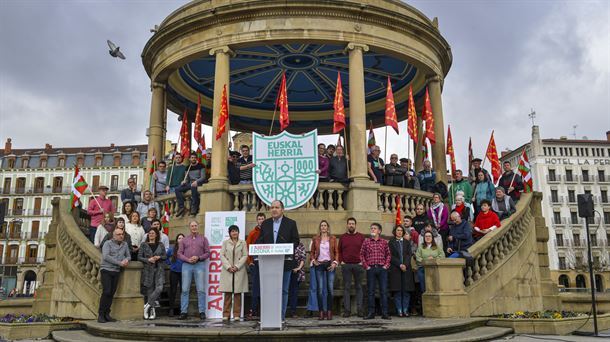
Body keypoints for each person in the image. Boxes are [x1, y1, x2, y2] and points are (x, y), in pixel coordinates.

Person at [255, 199, 300, 321]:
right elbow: (260, 240)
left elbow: (296, 241)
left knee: (283, 290)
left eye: (277, 207)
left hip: (285, 262)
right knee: (269, 290)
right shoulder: (265, 224)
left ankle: (280, 316)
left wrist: (285, 249)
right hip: (268, 263)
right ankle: (269, 316)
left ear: (282, 209)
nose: (274, 209)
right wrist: (257, 246)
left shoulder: (291, 223)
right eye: (272, 207)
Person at [178, 220, 211, 320]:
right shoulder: (184, 240)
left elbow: (208, 253)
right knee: (184, 289)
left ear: (198, 226)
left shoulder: (203, 239)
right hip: (186, 265)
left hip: (199, 264)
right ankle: (183, 312)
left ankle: (202, 312)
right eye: (192, 226)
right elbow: (179, 253)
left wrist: (198, 257)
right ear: (189, 227)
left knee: (201, 289)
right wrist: (187, 259)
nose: (194, 227)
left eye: (195, 225)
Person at [98, 227, 130, 323]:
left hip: (116, 271)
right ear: (114, 236)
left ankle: (107, 314)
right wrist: (119, 263)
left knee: (112, 293)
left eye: (122, 234)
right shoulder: (107, 243)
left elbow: (128, 255)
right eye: (119, 234)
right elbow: (106, 256)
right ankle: (101, 314)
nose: (121, 236)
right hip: (106, 270)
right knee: (106, 291)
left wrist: (126, 260)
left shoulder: (125, 244)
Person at [361, 222, 391, 320]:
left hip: (382, 269)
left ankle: (385, 313)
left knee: (383, 291)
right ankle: (371, 313)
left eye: (374, 228)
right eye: (371, 228)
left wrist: (386, 265)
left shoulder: (384, 242)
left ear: (379, 231)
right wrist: (366, 266)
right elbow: (361, 255)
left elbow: (388, 255)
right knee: (371, 292)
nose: (372, 230)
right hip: (371, 268)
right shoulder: (366, 242)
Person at [310, 220, 339, 320]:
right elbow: (312, 252)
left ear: (328, 227)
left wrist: (335, 263)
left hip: (330, 264)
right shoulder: (315, 239)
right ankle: (321, 312)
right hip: (319, 264)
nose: (323, 227)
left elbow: (336, 252)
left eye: (325, 225)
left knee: (330, 289)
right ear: (320, 227)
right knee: (320, 290)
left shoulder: (333, 238)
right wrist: (313, 260)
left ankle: (329, 312)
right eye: (322, 225)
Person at [338, 217, 365, 318]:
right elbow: (339, 250)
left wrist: (362, 261)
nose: (351, 225)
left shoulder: (361, 237)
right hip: (346, 265)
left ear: (355, 225)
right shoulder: (343, 237)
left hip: (358, 265)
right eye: (349, 224)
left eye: (353, 224)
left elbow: (364, 250)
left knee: (359, 287)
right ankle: (347, 311)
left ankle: (360, 310)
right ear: (347, 225)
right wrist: (342, 261)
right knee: (347, 288)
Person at [220, 225, 248, 321]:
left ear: (238, 232)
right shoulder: (225, 243)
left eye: (236, 231)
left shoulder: (243, 243)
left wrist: (237, 266)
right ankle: (226, 314)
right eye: (232, 231)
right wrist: (228, 266)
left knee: (237, 293)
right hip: (227, 271)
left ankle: (237, 314)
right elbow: (222, 255)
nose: (234, 233)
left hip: (238, 270)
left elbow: (245, 255)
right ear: (229, 233)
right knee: (227, 293)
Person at [138, 227, 167, 320]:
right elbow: (139, 257)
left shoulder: (161, 244)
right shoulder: (143, 244)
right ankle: (151, 311)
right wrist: (148, 259)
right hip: (148, 270)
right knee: (149, 291)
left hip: (159, 270)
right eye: (150, 233)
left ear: (156, 235)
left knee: (159, 288)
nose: (151, 234)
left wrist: (159, 257)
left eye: (153, 233)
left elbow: (165, 256)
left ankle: (147, 305)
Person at [388, 225, 415, 317]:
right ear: (395, 231)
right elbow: (390, 256)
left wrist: (405, 265)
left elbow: (408, 254)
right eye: (397, 230)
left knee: (406, 290)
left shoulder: (407, 242)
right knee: (397, 291)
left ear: (403, 232)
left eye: (401, 230)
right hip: (395, 269)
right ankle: (399, 310)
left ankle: (405, 310)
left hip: (406, 269)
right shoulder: (391, 242)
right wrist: (399, 264)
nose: (399, 232)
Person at [245, 213, 265, 319]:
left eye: (262, 219)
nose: (261, 220)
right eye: (259, 219)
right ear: (257, 220)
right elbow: (247, 248)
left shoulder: (268, 232)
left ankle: (263, 309)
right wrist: (250, 262)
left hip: (266, 264)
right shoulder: (253, 233)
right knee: (256, 288)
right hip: (255, 264)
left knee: (265, 287)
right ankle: (253, 309)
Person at [175, 152, 207, 217]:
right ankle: (181, 207)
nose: (193, 159)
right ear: (189, 159)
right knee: (177, 189)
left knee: (193, 187)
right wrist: (183, 182)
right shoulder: (187, 167)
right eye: (192, 158)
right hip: (190, 183)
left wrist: (197, 182)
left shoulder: (201, 165)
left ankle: (194, 207)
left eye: (195, 158)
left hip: (199, 183)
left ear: (196, 158)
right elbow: (187, 179)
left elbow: (203, 177)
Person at [166, 233, 184, 317]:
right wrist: (169, 263)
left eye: (182, 238)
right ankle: (171, 309)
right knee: (173, 290)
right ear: (177, 240)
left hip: (184, 272)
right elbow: (165, 257)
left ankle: (182, 309)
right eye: (179, 238)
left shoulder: (186, 249)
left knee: (183, 291)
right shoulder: (172, 249)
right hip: (174, 271)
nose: (181, 239)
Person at [288, 241, 306, 318]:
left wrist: (298, 268)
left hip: (296, 271)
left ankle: (293, 311)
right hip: (285, 271)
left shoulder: (300, 245)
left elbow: (303, 258)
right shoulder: (285, 243)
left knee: (294, 292)